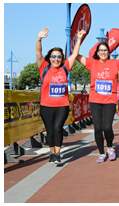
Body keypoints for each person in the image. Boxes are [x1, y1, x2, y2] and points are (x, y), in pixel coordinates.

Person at [36, 28, 86, 164]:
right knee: (50, 131)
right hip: (46, 106)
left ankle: (57, 153)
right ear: (49, 58)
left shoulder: (65, 67)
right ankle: (51, 153)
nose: (56, 59)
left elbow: (75, 54)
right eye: (53, 56)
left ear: (61, 58)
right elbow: (38, 53)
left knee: (58, 128)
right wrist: (39, 39)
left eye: (59, 56)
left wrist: (79, 38)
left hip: (62, 106)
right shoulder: (44, 67)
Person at [77, 42, 119, 163]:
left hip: (110, 101)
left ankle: (110, 148)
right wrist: (78, 39)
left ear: (108, 52)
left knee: (107, 127)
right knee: (98, 128)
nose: (103, 52)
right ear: (97, 53)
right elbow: (76, 56)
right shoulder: (92, 63)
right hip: (95, 101)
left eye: (105, 50)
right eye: (101, 50)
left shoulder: (115, 63)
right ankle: (101, 153)